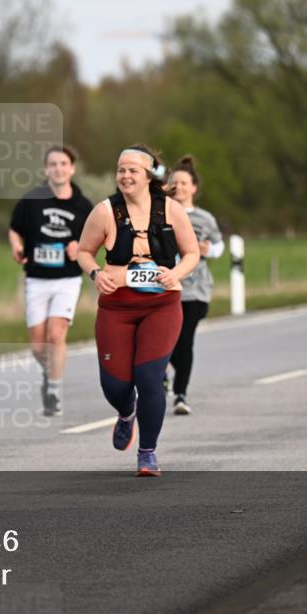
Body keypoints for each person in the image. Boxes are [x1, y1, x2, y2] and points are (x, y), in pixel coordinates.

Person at [77, 145, 199, 477]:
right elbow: (84, 251)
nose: (125, 176)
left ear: (149, 176)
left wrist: (176, 273)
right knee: (115, 385)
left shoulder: (171, 210)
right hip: (117, 306)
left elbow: (191, 253)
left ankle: (147, 453)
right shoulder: (105, 212)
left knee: (149, 378)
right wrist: (95, 273)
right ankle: (126, 410)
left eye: (132, 170)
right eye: (121, 170)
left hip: (161, 304)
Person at [8, 145, 93, 416]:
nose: (58, 168)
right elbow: (14, 229)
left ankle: (54, 391)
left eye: (63, 163)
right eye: (53, 164)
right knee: (37, 346)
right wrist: (16, 247)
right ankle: (48, 373)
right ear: (46, 169)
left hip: (67, 279)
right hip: (36, 278)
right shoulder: (32, 199)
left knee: (55, 337)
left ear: (72, 168)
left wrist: (78, 246)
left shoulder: (83, 205)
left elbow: (98, 238)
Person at [166, 155, 224, 416]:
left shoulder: (204, 218)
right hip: (167, 287)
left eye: (184, 182)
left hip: (196, 290)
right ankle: (162, 375)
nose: (179, 187)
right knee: (166, 340)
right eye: (174, 182)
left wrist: (208, 250)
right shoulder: (160, 213)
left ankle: (180, 394)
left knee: (184, 339)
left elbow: (219, 245)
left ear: (194, 187)